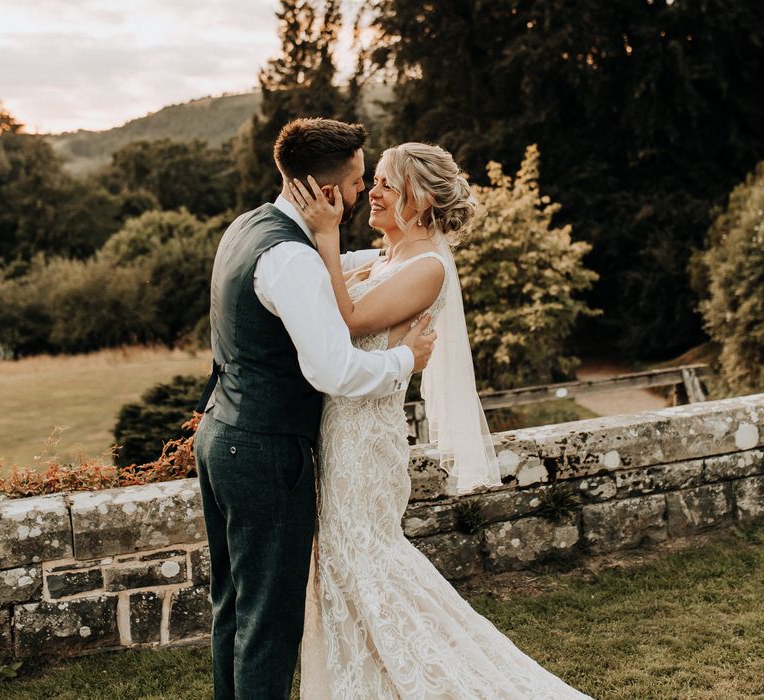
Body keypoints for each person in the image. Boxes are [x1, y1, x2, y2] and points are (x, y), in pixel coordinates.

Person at [289, 142, 595, 699]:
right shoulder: (384, 258)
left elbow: (345, 316)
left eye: (385, 183)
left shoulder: (427, 267)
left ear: (422, 198)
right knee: (343, 562)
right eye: (374, 181)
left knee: (365, 561)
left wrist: (328, 235)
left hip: (364, 442)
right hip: (339, 433)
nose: (373, 193)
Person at [192, 119, 437, 700]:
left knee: (233, 604)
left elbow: (359, 266)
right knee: (269, 623)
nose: (360, 193)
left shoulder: (251, 226)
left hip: (220, 432)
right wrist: (406, 360)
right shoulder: (294, 260)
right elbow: (332, 370)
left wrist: (378, 254)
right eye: (356, 182)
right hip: (264, 449)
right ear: (326, 191)